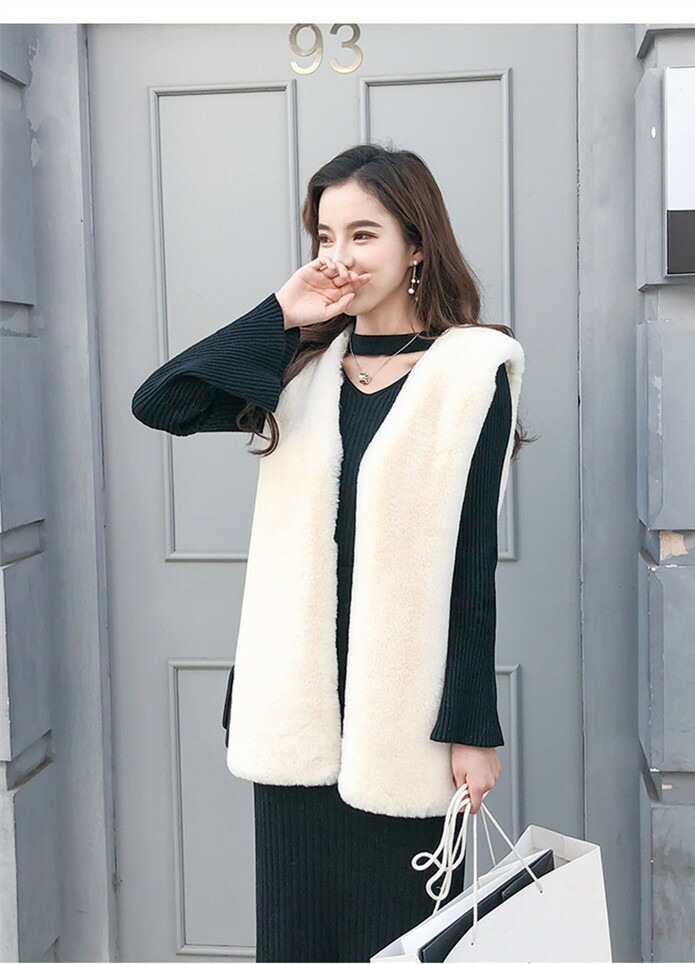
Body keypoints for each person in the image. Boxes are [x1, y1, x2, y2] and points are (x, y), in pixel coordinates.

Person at [131, 143, 529, 963]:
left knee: (403, 942)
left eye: (363, 234)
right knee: (298, 942)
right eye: (324, 236)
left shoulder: (470, 370)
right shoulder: (301, 366)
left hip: (406, 720)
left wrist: (472, 729)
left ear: (416, 244)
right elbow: (162, 402)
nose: (338, 256)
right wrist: (282, 310)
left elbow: (472, 563)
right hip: (297, 712)